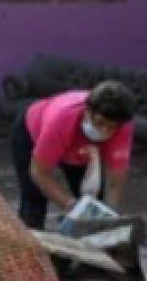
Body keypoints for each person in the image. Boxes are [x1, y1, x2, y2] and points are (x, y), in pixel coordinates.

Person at [11, 80, 137, 230]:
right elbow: (39, 172)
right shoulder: (61, 121)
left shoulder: (123, 128)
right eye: (99, 123)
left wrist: (108, 218)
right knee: (34, 201)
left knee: (94, 205)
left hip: (80, 152)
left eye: (112, 127)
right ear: (87, 111)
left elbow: (115, 184)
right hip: (32, 133)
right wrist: (70, 205)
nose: (105, 132)